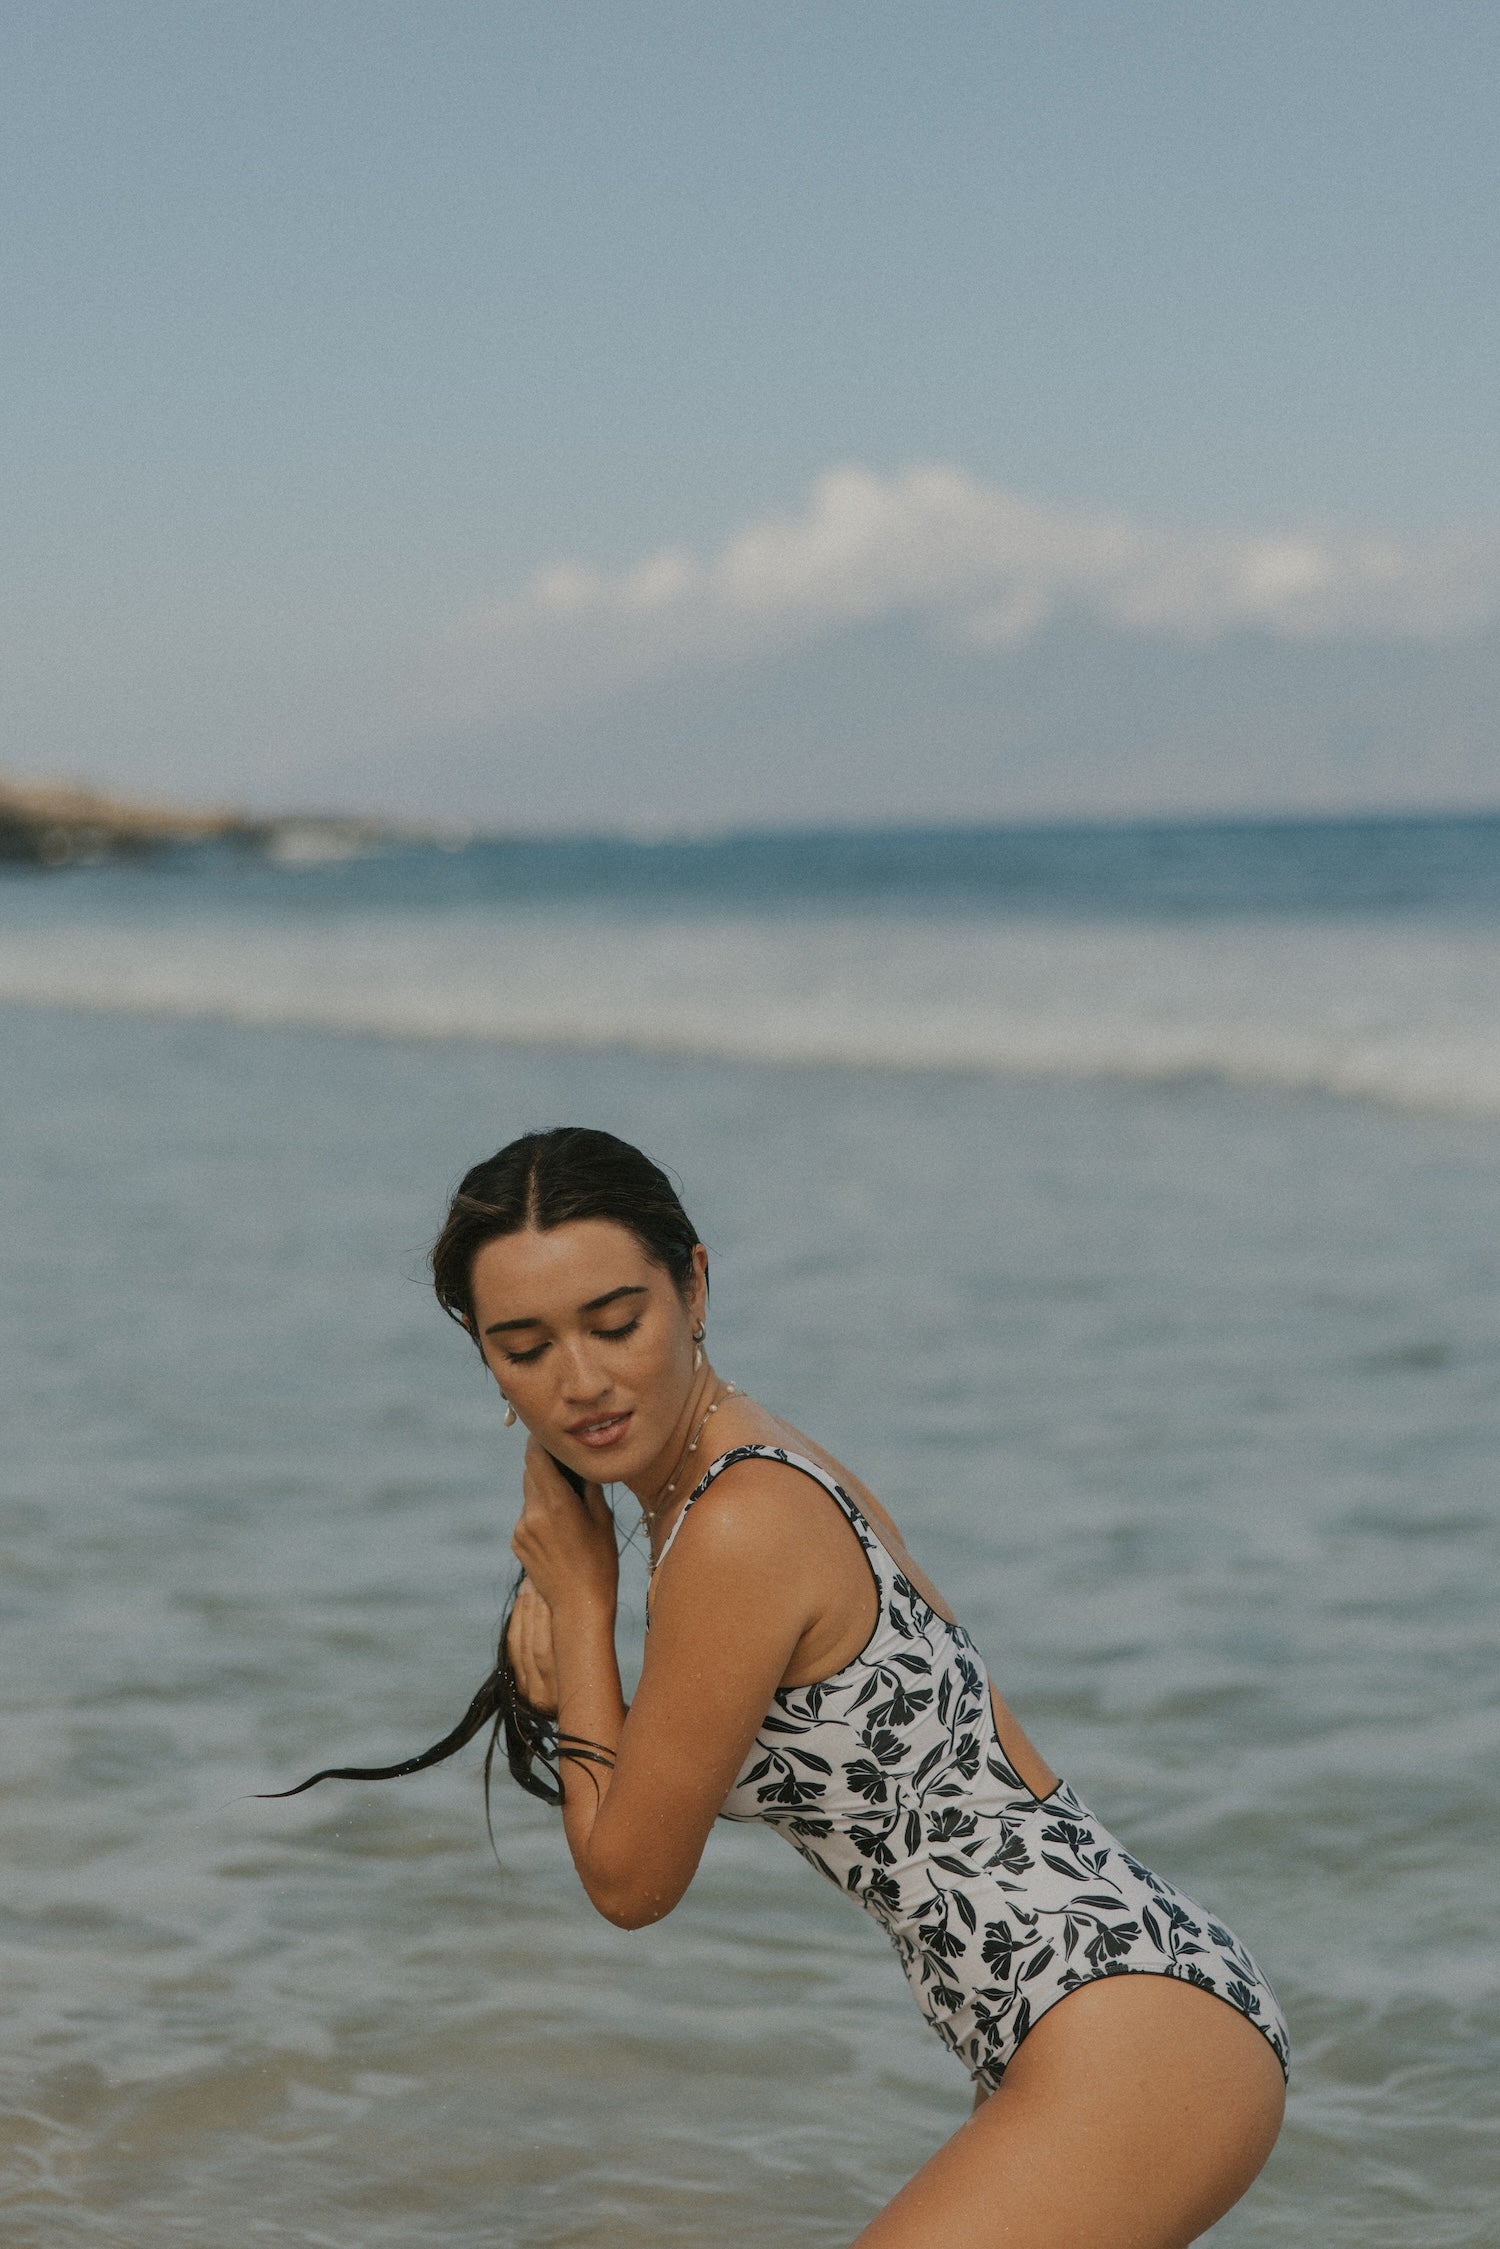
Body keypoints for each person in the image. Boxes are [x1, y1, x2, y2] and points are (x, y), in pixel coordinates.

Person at [275, 1126, 1288, 2247]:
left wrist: (582, 1604)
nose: (582, 1380)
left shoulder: (740, 1521)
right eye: (524, 1346)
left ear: (694, 1287)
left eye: (616, 1323)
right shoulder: (729, 1475)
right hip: (1089, 2010)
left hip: (1121, 2019)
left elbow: (630, 1879)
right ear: (484, 1357)